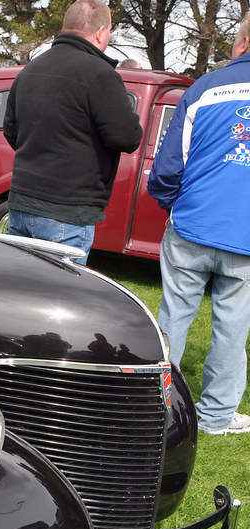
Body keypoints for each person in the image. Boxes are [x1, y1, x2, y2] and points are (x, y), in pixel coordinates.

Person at [147, 11, 250, 435]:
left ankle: (155, 404)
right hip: (242, 236)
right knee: (233, 328)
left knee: (173, 317)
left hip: (191, 223)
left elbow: (167, 167)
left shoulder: (204, 88)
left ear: (241, 42)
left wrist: (174, 204)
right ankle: (215, 416)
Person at [2, 0, 143, 265]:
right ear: (101, 31)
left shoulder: (30, 69)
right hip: (67, 211)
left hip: (22, 202)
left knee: (21, 293)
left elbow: (11, 131)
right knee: (58, 300)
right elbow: (127, 137)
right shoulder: (100, 74)